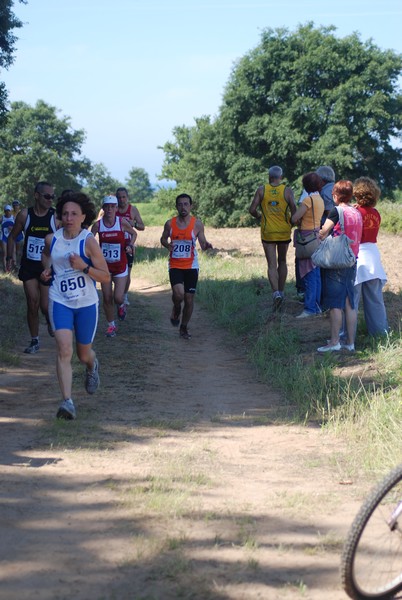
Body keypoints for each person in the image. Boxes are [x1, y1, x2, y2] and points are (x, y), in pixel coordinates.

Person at [41, 192, 110, 420]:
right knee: (64, 349)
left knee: (82, 355)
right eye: (65, 214)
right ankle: (67, 402)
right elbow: (46, 255)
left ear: (83, 217)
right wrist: (48, 269)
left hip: (86, 304)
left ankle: (92, 365)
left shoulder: (88, 242)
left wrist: (84, 267)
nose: (69, 218)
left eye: (74, 214)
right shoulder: (53, 239)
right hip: (60, 300)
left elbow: (105, 277)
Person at [6, 182, 59, 353]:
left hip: (46, 267)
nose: (50, 199)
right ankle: (34, 340)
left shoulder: (55, 217)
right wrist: (9, 257)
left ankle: (50, 322)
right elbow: (12, 237)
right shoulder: (24, 215)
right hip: (28, 266)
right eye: (47, 196)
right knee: (32, 303)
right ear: (36, 195)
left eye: (52, 196)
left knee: (45, 306)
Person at [317, 180, 363, 353]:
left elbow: (324, 231)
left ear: (335, 195)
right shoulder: (356, 212)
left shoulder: (337, 210)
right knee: (349, 302)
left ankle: (334, 341)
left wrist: (319, 233)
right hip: (352, 259)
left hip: (337, 260)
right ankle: (350, 342)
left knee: (335, 303)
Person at [160, 193, 213, 339]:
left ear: (190, 206)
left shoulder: (197, 224)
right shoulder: (170, 224)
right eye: (180, 204)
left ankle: (183, 327)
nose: (183, 207)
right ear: (176, 206)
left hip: (191, 266)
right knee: (179, 294)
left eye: (186, 204)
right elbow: (163, 239)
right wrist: (167, 245)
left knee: (189, 299)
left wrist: (206, 245)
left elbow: (202, 243)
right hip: (175, 265)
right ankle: (176, 308)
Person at [249, 165, 296, 310]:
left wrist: (259, 216)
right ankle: (281, 292)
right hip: (283, 231)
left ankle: (275, 293)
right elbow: (294, 210)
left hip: (268, 231)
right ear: (280, 177)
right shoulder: (287, 191)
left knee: (271, 264)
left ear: (269, 177)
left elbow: (252, 210)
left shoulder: (261, 190)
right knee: (282, 261)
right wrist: (291, 222)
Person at [91, 195, 137, 337]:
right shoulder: (98, 225)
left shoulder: (122, 222)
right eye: (107, 206)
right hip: (104, 267)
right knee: (106, 297)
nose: (110, 209)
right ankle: (111, 325)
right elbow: (88, 240)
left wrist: (130, 245)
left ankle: (121, 305)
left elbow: (134, 234)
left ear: (116, 208)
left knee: (117, 298)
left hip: (120, 266)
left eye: (113, 206)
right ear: (103, 208)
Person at [353, 177, 389, 336]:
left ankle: (347, 336)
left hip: (358, 255)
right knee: (375, 300)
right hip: (373, 255)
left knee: (351, 299)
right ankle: (381, 333)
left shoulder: (354, 212)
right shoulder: (376, 213)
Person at [291, 172, 324, 318]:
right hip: (317, 237)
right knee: (316, 274)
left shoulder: (308, 200)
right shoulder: (320, 200)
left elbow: (295, 218)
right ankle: (316, 306)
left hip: (307, 238)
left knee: (309, 273)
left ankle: (309, 308)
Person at [115, 187, 145, 305]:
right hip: (114, 245)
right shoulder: (112, 209)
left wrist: (135, 224)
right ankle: (115, 293)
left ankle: (124, 295)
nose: (122, 200)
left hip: (128, 245)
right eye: (119, 197)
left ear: (127, 198)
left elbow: (142, 227)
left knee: (127, 272)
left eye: (124, 197)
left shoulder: (132, 210)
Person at [1, 205, 15, 270]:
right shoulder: (2, 218)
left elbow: (18, 227)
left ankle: (10, 267)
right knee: (4, 253)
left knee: (11, 253)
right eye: (6, 211)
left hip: (11, 238)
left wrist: (12, 228)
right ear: (4, 211)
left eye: (8, 211)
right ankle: (5, 268)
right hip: (3, 237)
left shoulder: (13, 218)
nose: (7, 212)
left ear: (10, 211)